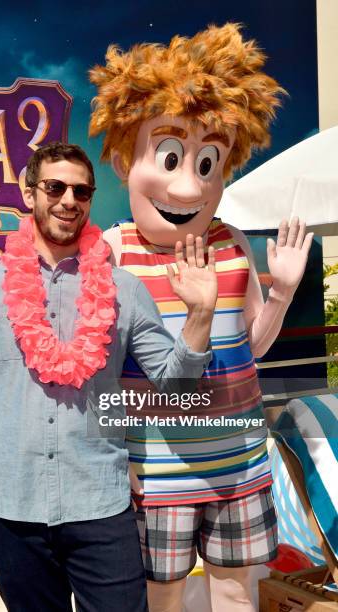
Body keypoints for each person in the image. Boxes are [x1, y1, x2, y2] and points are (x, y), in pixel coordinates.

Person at [89, 24, 314, 612]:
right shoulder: (111, 254)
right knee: (159, 598)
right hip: (155, 472)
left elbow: (251, 349)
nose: (190, 183)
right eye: (169, 154)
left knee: (236, 593)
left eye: (208, 160)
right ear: (121, 158)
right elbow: (95, 375)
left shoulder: (234, 243)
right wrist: (115, 457)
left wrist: (284, 290)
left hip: (239, 460)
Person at [0, 142, 218, 612]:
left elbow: (178, 388)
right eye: (55, 187)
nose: (69, 200)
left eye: (82, 191)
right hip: (13, 506)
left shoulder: (124, 291)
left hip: (99, 505)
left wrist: (200, 316)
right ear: (31, 195)